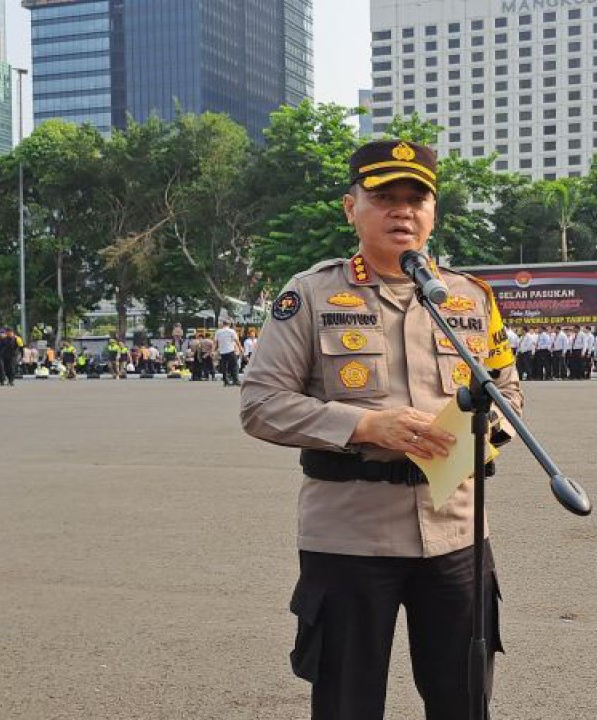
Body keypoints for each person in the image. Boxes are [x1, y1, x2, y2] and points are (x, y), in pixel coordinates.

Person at [240, 140, 519, 720]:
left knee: (463, 700)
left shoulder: (469, 298)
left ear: (433, 211)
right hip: (349, 536)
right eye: (384, 197)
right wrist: (368, 424)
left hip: (457, 533)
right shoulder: (312, 293)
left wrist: (478, 438)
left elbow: (507, 393)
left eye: (416, 199)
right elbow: (261, 404)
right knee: (347, 702)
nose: (402, 211)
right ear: (351, 208)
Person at [215, 319, 244, 386]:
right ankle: (235, 380)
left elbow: (215, 342)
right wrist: (241, 348)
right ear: (229, 324)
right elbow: (237, 341)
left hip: (222, 352)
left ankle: (225, 381)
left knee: (224, 366)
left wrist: (213, 350)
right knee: (234, 365)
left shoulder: (218, 332)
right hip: (230, 351)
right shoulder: (231, 331)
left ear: (223, 324)